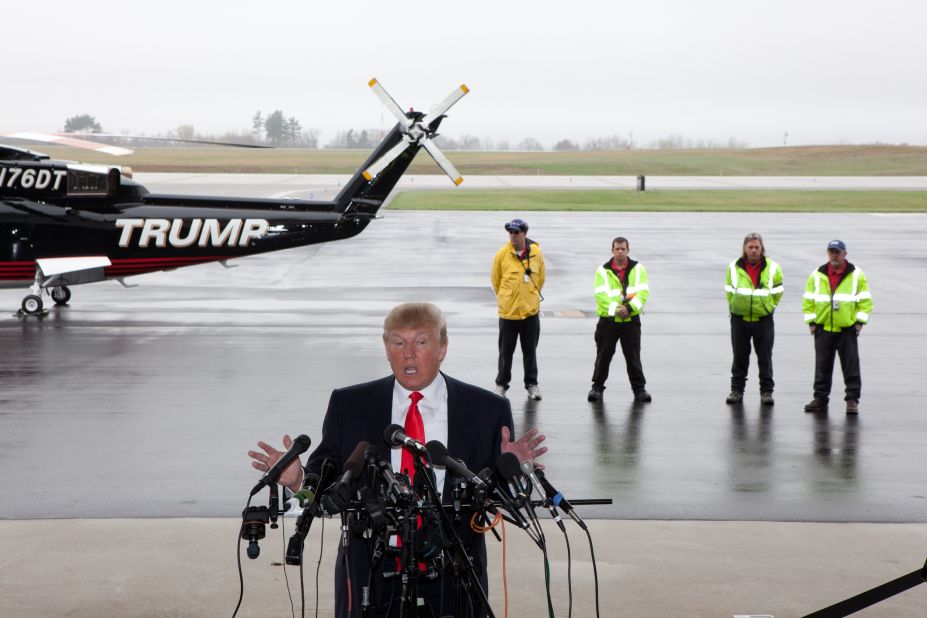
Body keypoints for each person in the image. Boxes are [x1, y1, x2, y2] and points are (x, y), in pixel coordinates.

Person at [248, 302, 547, 617]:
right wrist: (297, 480)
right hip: (369, 574)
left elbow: (500, 496)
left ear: (442, 347)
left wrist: (514, 471)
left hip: (455, 575)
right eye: (398, 342)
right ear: (386, 348)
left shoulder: (487, 410)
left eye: (421, 341)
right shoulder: (349, 405)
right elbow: (329, 483)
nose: (409, 353)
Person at [802, 240, 873, 415]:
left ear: (844, 254)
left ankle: (852, 400)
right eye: (831, 251)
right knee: (822, 367)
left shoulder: (856, 274)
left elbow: (865, 301)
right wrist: (811, 322)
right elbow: (808, 300)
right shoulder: (817, 274)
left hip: (846, 329)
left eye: (838, 252)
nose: (834, 255)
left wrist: (859, 323)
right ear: (827, 253)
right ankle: (820, 399)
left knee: (851, 366)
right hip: (823, 328)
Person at [587, 236, 652, 403]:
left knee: (633, 357)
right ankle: (597, 388)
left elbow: (643, 293)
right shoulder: (603, 271)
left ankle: (639, 389)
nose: (620, 251)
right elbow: (601, 296)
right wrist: (618, 310)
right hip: (608, 321)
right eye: (617, 249)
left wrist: (629, 309)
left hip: (631, 320)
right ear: (612, 250)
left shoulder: (638, 269)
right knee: (603, 355)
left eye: (623, 248)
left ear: (628, 250)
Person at [724, 233, 784, 405]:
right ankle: (737, 390)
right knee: (739, 356)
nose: (753, 251)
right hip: (739, 318)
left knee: (765, 356)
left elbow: (778, 292)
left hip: (763, 319)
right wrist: (735, 306)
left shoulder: (772, 267)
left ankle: (766, 392)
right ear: (744, 248)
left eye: (757, 247)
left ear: (762, 249)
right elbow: (729, 291)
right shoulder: (733, 267)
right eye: (750, 247)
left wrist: (769, 308)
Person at [490, 218, 546, 400]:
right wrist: (507, 299)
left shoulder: (536, 253)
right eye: (511, 232)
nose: (513, 236)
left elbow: (541, 279)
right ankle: (501, 385)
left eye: (516, 232)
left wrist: (529, 297)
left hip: (530, 312)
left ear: (524, 233)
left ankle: (532, 385)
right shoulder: (502, 254)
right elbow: (496, 281)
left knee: (530, 351)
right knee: (506, 352)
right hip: (508, 314)